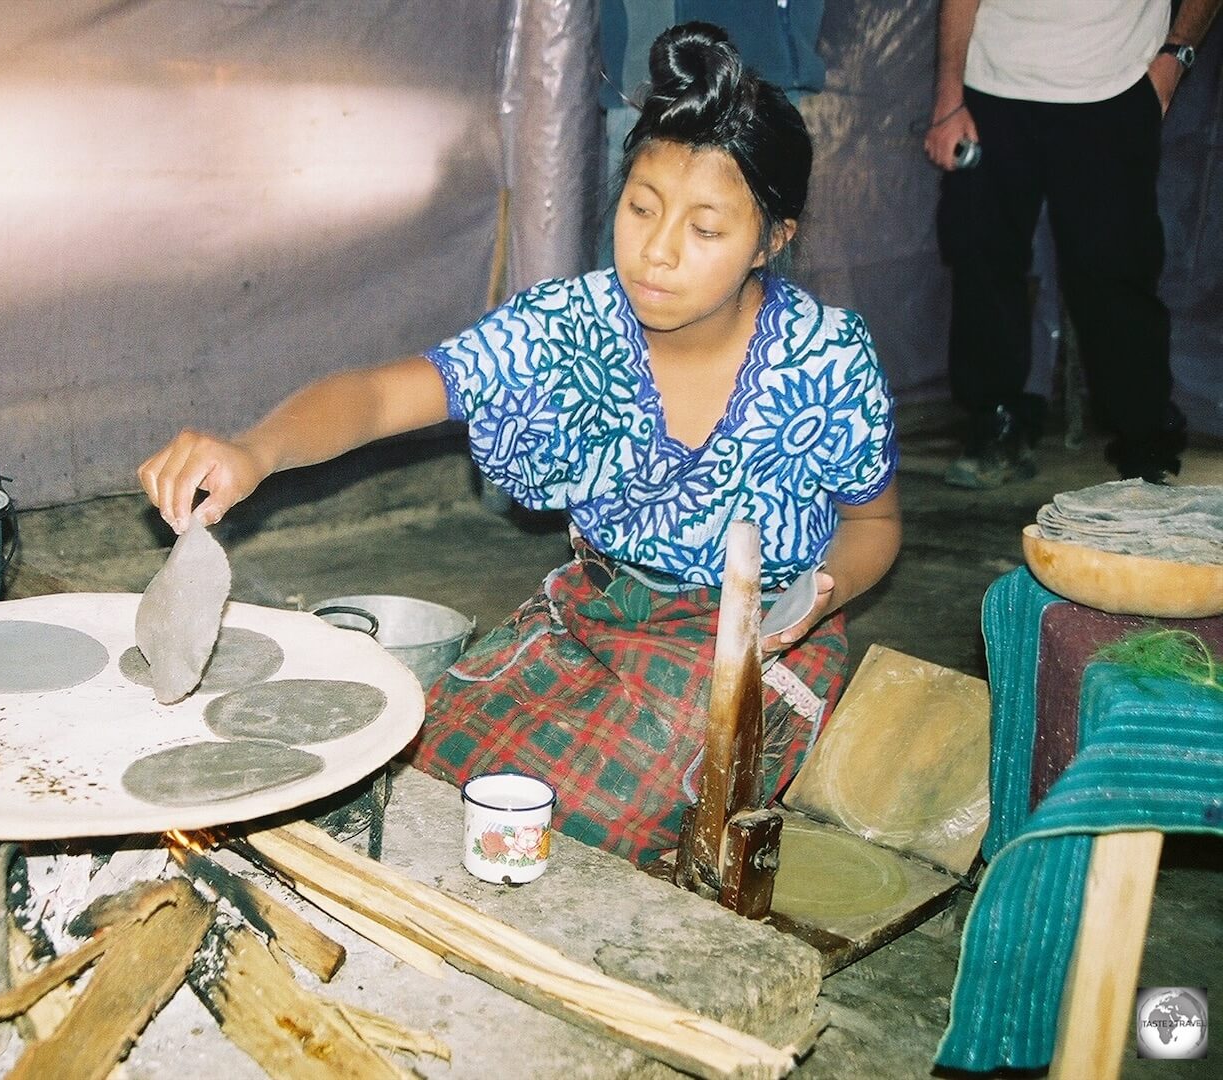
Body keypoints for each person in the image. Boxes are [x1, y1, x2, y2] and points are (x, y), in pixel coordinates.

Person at [141, 22, 901, 866]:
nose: (656, 250)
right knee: (422, 772)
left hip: (743, 650)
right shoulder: (571, 327)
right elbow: (386, 393)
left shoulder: (827, 359)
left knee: (579, 835)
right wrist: (256, 450)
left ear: (772, 239)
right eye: (642, 208)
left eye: (706, 229)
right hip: (592, 613)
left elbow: (875, 525)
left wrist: (820, 599)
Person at [925, 0, 1222, 488]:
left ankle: (1144, 439)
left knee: (1115, 268)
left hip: (1116, 82)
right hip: (993, 82)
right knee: (981, 255)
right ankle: (998, 424)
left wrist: (1175, 59)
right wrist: (948, 97)